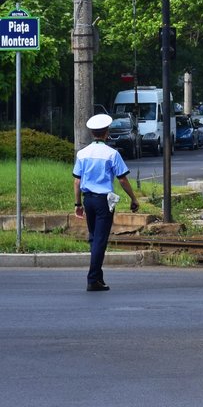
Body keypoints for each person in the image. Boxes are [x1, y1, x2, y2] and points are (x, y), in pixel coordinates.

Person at [73, 113, 140, 292]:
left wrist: (77, 204)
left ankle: (99, 278)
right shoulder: (112, 154)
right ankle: (93, 279)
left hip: (88, 201)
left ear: (93, 133)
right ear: (106, 133)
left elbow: (77, 181)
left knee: (94, 238)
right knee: (100, 240)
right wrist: (133, 199)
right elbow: (123, 180)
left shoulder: (82, 153)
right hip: (104, 202)